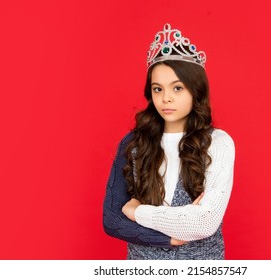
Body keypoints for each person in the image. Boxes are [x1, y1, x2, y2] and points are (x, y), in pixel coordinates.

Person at [103, 23, 235, 260]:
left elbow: (204, 223)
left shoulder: (218, 143)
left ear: (196, 91)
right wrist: (167, 237)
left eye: (177, 88)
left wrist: (136, 211)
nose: (166, 98)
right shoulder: (133, 142)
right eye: (157, 89)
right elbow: (112, 220)